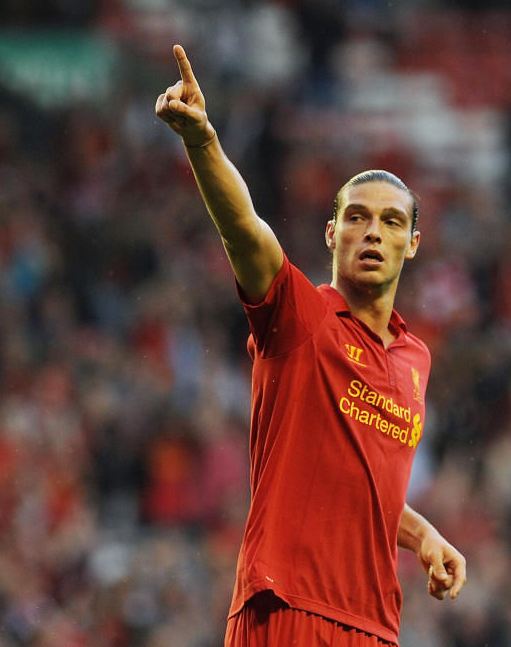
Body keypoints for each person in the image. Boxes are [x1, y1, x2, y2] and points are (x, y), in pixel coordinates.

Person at [155, 44, 466, 647]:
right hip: (287, 605)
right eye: (356, 217)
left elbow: (360, 487)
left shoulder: (415, 360)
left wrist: (422, 534)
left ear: (414, 244)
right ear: (331, 233)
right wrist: (202, 142)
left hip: (374, 624)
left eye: (391, 222)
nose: (372, 231)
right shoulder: (301, 316)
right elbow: (244, 228)